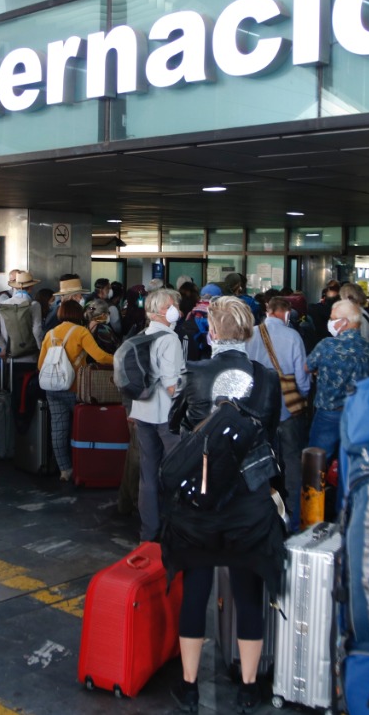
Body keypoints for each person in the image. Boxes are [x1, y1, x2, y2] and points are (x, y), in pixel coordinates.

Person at [161, 295, 284, 714]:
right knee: (247, 593)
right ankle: (249, 688)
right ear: (247, 332)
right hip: (249, 501)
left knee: (195, 593)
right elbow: (268, 429)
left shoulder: (193, 372)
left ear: (211, 332)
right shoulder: (266, 379)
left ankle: (190, 686)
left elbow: (177, 423)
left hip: (200, 501)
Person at [246, 295, 311, 526]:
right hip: (286, 406)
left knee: (261, 457)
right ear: (286, 313)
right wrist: (301, 396)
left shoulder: (251, 333)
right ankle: (294, 512)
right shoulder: (293, 335)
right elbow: (301, 376)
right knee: (292, 458)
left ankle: (264, 508)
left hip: (258, 407)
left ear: (268, 310)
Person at [128, 289, 186, 542]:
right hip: (166, 416)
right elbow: (172, 385)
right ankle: (177, 529)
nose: (179, 311)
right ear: (163, 310)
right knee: (177, 471)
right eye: (174, 305)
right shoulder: (169, 338)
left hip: (142, 412)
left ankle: (147, 534)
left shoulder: (142, 336)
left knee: (148, 475)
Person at [37, 300, 115, 482]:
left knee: (58, 429)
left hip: (53, 388)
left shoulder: (50, 334)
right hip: (75, 389)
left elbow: (41, 364)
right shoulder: (81, 332)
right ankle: (85, 466)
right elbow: (100, 356)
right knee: (84, 428)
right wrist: (119, 359)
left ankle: (65, 470)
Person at [305, 299, 369, 454]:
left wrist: (320, 371)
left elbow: (307, 367)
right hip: (359, 413)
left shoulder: (327, 345)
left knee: (317, 461)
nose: (330, 322)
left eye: (332, 319)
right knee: (352, 460)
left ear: (344, 322)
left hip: (329, 413)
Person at [0, 272, 43, 357]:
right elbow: (37, 330)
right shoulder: (34, 305)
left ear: (15, 287)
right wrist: (40, 348)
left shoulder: (4, 304)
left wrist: (3, 346)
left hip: (9, 353)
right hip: (30, 354)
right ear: (31, 287)